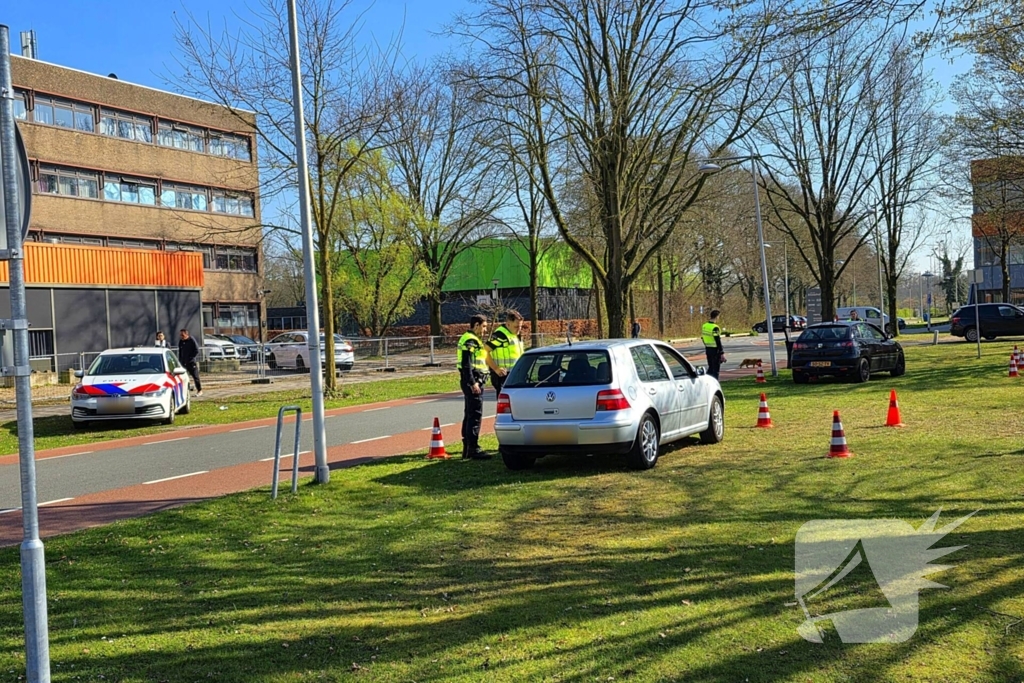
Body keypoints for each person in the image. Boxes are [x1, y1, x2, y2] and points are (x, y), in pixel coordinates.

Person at [457, 315, 493, 459]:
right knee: (475, 415)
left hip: (474, 380)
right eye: (484, 326)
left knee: (470, 414)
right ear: (476, 325)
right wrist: (473, 383)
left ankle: (467, 448)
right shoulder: (470, 340)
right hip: (473, 381)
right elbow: (466, 364)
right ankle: (473, 448)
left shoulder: (472, 339)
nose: (485, 330)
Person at [487, 310, 525, 394]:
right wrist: (496, 368)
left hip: (515, 374)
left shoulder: (515, 333)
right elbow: (484, 351)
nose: (519, 329)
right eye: (516, 327)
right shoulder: (500, 335)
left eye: (520, 326)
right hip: (503, 375)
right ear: (508, 324)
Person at [701, 309, 726, 379]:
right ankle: (715, 384)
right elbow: (717, 340)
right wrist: (721, 352)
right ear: (717, 316)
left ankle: (706, 382)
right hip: (715, 350)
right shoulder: (715, 327)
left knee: (711, 368)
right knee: (715, 370)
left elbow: (703, 338)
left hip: (708, 349)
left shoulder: (704, 326)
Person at [178, 329, 203, 397]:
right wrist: (180, 360)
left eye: (182, 335)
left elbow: (196, 350)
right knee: (184, 377)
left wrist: (191, 358)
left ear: (186, 334)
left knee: (195, 377)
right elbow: (180, 351)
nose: (181, 337)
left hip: (191, 363)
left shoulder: (191, 340)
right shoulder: (181, 341)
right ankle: (185, 391)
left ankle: (199, 390)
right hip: (183, 362)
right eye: (180, 335)